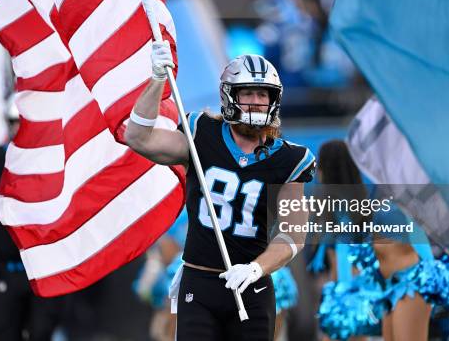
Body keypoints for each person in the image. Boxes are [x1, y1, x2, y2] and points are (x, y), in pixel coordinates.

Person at [125, 42, 315, 340]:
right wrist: (157, 80)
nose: (255, 101)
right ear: (230, 95)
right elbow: (137, 137)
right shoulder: (202, 133)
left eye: (262, 94)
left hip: (252, 287)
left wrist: (255, 269)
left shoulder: (290, 160)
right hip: (199, 282)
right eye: (248, 93)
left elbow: (293, 234)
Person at [0, 98, 65, 341]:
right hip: (8, 267)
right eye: (16, 122)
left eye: (26, 122)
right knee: (4, 331)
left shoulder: (59, 155)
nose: (22, 128)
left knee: (43, 332)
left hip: (48, 267)